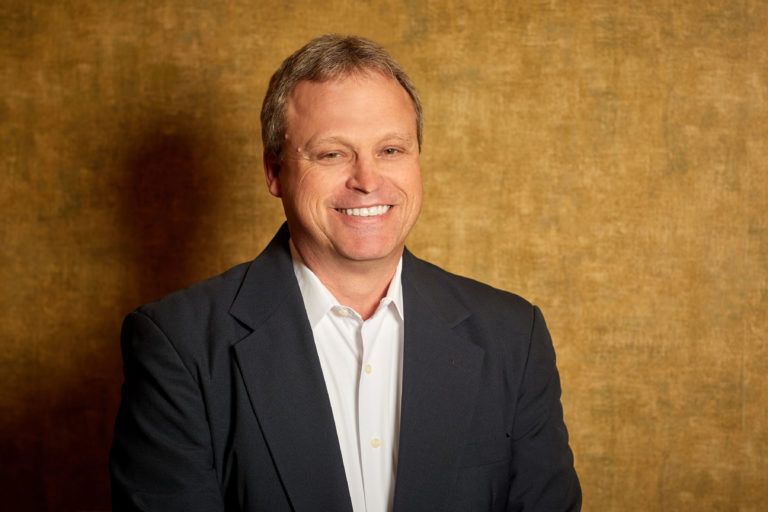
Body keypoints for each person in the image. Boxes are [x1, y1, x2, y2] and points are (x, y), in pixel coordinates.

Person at [110, 34, 581, 512]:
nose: (368, 180)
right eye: (332, 154)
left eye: (391, 150)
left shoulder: (512, 336)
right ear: (274, 172)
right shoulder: (177, 345)